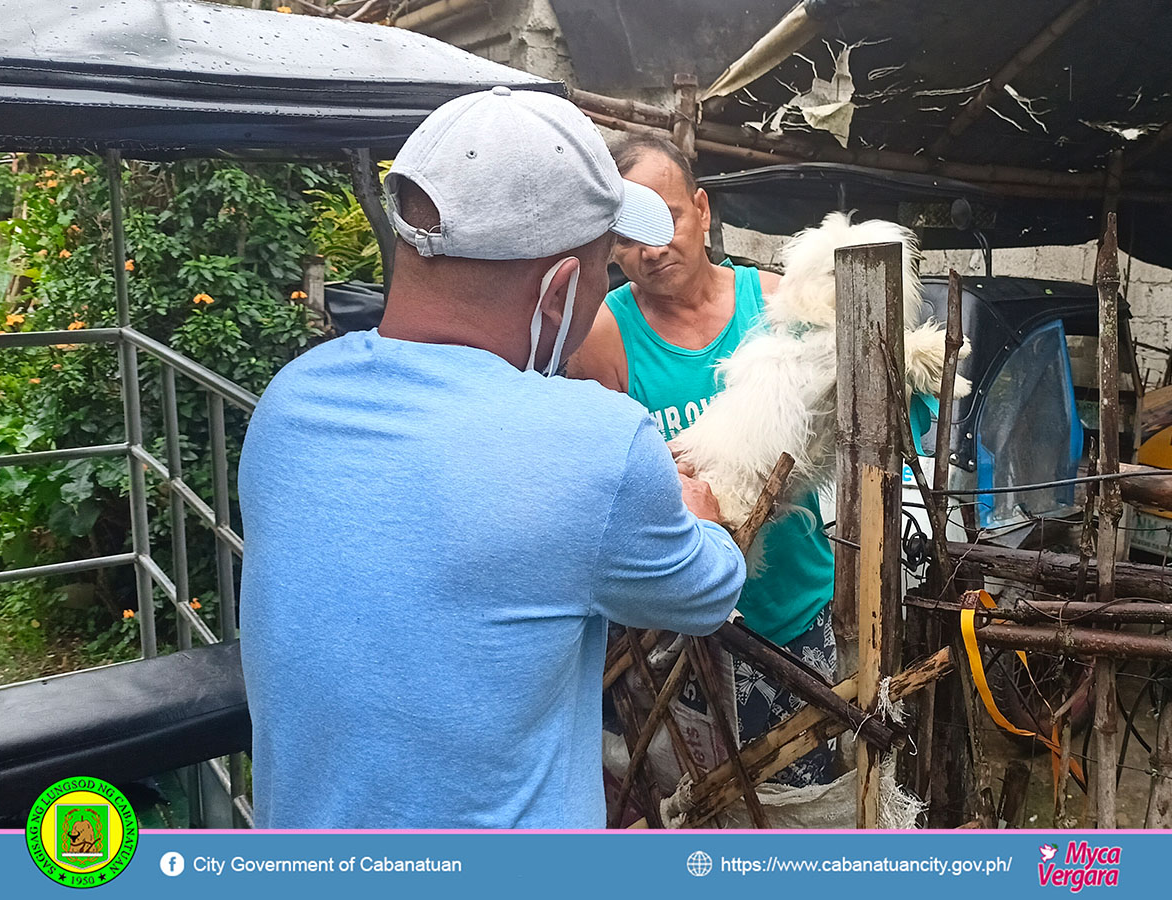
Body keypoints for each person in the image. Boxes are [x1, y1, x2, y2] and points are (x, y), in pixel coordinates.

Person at [237, 88, 746, 829]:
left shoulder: (289, 403)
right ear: (560, 291)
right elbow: (705, 596)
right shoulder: (595, 442)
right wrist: (702, 519)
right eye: (605, 270)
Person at [567, 135, 837, 787]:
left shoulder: (775, 306)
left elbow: (843, 424)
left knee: (806, 795)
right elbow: (600, 488)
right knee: (704, 802)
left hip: (792, 607)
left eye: (666, 221)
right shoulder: (604, 336)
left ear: (703, 209)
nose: (650, 249)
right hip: (680, 636)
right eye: (625, 236)